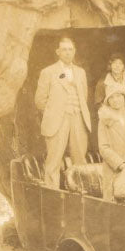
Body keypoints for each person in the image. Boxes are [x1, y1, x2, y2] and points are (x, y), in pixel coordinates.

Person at [34, 35, 93, 188]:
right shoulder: (48, 72)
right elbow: (40, 100)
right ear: (58, 52)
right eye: (64, 50)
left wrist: (75, 111)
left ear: (74, 52)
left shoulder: (80, 72)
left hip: (78, 118)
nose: (67, 53)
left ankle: (82, 192)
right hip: (57, 120)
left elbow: (83, 96)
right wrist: (55, 111)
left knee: (80, 159)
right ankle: (51, 194)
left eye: (70, 49)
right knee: (54, 160)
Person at [97, 82, 125, 200]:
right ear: (108, 101)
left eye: (118, 96)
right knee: (114, 205)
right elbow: (103, 147)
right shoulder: (104, 120)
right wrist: (121, 164)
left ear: (124, 97)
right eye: (111, 97)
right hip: (114, 168)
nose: (115, 100)